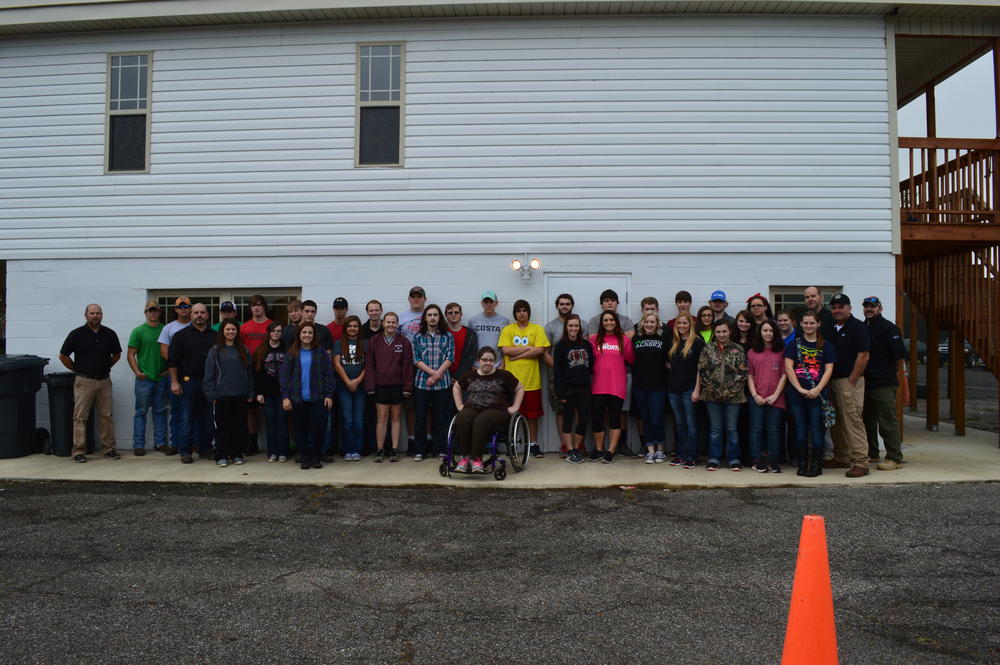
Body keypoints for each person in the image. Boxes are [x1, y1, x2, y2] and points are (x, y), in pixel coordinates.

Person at [58, 303, 122, 463]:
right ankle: (78, 450)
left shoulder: (109, 334)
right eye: (92, 313)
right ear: (85, 315)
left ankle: (109, 448)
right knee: (80, 417)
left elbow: (117, 354)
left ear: (102, 315)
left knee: (106, 416)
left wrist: (106, 367)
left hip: (104, 381)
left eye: (98, 313)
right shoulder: (76, 334)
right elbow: (63, 356)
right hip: (84, 380)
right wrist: (77, 370)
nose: (95, 316)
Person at [451, 347, 525, 474]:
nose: (487, 363)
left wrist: (515, 407)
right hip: (472, 407)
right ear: (479, 360)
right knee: (462, 418)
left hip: (497, 410)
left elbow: (519, 388)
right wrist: (459, 405)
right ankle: (465, 457)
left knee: (482, 421)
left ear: (495, 361)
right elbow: (457, 387)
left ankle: (476, 459)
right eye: (484, 360)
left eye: (491, 360)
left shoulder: (504, 375)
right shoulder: (470, 375)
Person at [784, 311, 837, 477]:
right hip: (796, 394)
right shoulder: (794, 344)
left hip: (818, 395)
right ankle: (802, 463)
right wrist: (799, 388)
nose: (808, 326)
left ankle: (816, 464)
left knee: (816, 429)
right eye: (805, 323)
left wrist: (818, 389)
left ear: (818, 324)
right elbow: (788, 368)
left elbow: (829, 369)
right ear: (800, 324)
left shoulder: (826, 345)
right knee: (800, 429)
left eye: (812, 323)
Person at [825, 294, 871, 478]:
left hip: (849, 380)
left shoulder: (858, 327)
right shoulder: (831, 328)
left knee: (852, 420)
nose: (837, 310)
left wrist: (851, 381)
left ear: (849, 308)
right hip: (832, 380)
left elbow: (864, 356)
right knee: (836, 421)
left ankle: (861, 462)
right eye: (834, 307)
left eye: (840, 307)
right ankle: (842, 456)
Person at [279, 322, 335, 470]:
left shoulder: (321, 352)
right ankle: (304, 457)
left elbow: (329, 374)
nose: (307, 335)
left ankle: (316, 457)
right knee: (300, 430)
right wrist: (285, 396)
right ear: (299, 334)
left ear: (314, 335)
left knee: (318, 429)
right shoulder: (292, 352)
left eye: (310, 333)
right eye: (304, 332)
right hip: (297, 399)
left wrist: (329, 395)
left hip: (319, 398)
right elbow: (284, 375)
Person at [693, 319, 747, 471]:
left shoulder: (738, 349)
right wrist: (715, 391)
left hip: (734, 397)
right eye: (718, 332)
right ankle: (714, 458)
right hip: (712, 396)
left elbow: (742, 373)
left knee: (732, 428)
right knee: (715, 428)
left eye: (724, 331)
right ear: (714, 333)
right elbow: (703, 371)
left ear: (729, 331)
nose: (721, 334)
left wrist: (729, 391)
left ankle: (734, 459)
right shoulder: (707, 349)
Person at [862, 296, 909, 471]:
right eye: (866, 306)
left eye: (872, 307)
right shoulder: (863, 327)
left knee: (887, 420)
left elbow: (899, 357)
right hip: (866, 382)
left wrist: (897, 377)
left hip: (884, 383)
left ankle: (894, 457)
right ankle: (872, 453)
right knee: (867, 421)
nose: (869, 309)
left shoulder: (890, 328)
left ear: (880, 308)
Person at [167, 303, 217, 463]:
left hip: (209, 383)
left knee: (208, 418)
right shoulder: (181, 336)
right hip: (188, 382)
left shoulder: (215, 336)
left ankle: (205, 449)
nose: (199, 315)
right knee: (186, 417)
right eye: (196, 312)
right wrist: (174, 382)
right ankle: (185, 451)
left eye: (202, 312)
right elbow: (172, 360)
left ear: (207, 315)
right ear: (191, 315)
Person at [498, 299, 550, 457]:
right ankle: (512, 444)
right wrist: (528, 348)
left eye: (524, 310)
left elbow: (540, 351)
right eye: (519, 310)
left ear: (528, 313)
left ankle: (533, 444)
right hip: (512, 383)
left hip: (532, 382)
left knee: (532, 416)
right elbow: (506, 350)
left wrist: (517, 354)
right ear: (515, 313)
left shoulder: (537, 329)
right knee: (512, 414)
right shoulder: (508, 329)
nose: (522, 313)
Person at [364, 312, 415, 462]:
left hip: (397, 386)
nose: (391, 325)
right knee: (381, 417)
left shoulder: (404, 342)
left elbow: (407, 367)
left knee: (396, 417)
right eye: (388, 322)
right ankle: (380, 449)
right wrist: (370, 385)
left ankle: (394, 449)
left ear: (397, 324)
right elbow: (369, 365)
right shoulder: (374, 341)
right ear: (383, 323)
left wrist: (407, 387)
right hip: (380, 386)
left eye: (393, 322)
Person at [203, 321, 255, 467]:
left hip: (241, 394)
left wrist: (250, 392)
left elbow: (249, 373)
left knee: (239, 426)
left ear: (237, 331)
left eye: (233, 329)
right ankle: (221, 455)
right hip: (221, 396)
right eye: (228, 329)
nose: (231, 332)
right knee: (222, 427)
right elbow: (209, 374)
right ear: (222, 331)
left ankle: (237, 454)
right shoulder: (215, 350)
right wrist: (211, 393)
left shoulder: (243, 349)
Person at [588, 311, 634, 463]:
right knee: (597, 418)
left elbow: (631, 359)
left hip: (617, 385)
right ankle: (599, 449)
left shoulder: (624, 340)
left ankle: (611, 450)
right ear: (602, 323)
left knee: (615, 418)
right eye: (605, 320)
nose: (609, 322)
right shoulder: (594, 340)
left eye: (611, 320)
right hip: (598, 385)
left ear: (616, 322)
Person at [412, 304, 454, 461]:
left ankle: (440, 449)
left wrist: (437, 375)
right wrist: (431, 373)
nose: (432, 318)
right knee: (420, 418)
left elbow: (450, 357)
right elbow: (416, 359)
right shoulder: (417, 337)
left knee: (441, 418)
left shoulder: (447, 336)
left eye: (435, 315)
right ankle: (420, 451)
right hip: (422, 383)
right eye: (429, 315)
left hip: (442, 383)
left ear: (439, 317)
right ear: (425, 318)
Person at [127, 301, 167, 456]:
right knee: (141, 412)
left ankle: (161, 443)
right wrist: (137, 372)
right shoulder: (138, 331)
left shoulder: (165, 329)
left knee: (160, 411)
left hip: (161, 378)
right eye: (150, 311)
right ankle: (138, 445)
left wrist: (167, 371)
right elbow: (131, 354)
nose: (153, 313)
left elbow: (171, 352)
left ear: (159, 312)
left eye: (155, 310)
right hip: (144, 379)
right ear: (145, 313)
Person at [552, 314, 593, 464]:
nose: (573, 328)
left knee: (583, 420)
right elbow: (557, 371)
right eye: (571, 326)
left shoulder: (587, 345)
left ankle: (576, 449)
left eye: (576, 326)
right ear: (566, 327)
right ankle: (569, 451)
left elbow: (591, 368)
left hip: (584, 388)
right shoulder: (561, 345)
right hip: (568, 389)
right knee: (568, 420)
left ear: (580, 327)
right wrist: (560, 392)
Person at [747, 320, 788, 473]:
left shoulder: (782, 351)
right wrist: (755, 395)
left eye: (771, 330)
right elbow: (749, 376)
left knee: (774, 430)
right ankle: (757, 460)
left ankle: (773, 461)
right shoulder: (752, 352)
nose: (768, 333)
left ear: (775, 333)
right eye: (765, 330)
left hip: (776, 398)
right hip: (756, 398)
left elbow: (785, 374)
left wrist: (775, 395)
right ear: (760, 332)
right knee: (756, 429)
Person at [666, 312, 704, 469]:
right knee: (679, 423)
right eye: (679, 324)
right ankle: (681, 455)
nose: (682, 326)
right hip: (673, 389)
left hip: (689, 390)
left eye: (685, 323)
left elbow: (700, 369)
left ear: (691, 325)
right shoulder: (673, 342)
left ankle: (691, 456)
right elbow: (668, 363)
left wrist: (697, 390)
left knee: (691, 424)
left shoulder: (697, 342)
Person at [632, 312, 670, 463]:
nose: (649, 324)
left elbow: (669, 360)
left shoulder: (664, 339)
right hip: (640, 386)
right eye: (646, 322)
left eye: (652, 322)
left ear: (657, 324)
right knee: (646, 419)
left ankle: (660, 450)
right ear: (642, 323)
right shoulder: (636, 338)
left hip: (658, 385)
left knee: (657, 419)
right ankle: (650, 451)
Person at [157, 296, 192, 454]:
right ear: (176, 309)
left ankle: (195, 443)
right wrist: (178, 366)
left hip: (194, 376)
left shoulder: (197, 325)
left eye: (187, 306)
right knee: (176, 410)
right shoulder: (168, 328)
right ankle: (175, 443)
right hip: (176, 375)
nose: (184, 309)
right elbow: (165, 352)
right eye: (181, 306)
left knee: (195, 410)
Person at [239, 294, 271, 456]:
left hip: (269, 371)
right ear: (250, 308)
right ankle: (252, 442)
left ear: (264, 307)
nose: (257, 308)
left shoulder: (271, 325)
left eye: (259, 305)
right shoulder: (244, 327)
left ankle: (275, 442)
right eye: (253, 305)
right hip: (250, 372)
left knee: (271, 407)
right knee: (251, 409)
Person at [253, 321, 289, 463]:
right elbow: (257, 374)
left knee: (282, 422)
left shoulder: (287, 348)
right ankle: (272, 452)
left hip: (283, 392)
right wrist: (259, 392)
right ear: (269, 332)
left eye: (279, 331)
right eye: (273, 331)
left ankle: (283, 452)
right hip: (267, 393)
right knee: (270, 423)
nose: (276, 333)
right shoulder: (261, 349)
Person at [543, 293, 575, 451]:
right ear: (557, 306)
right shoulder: (550, 327)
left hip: (577, 375)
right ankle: (565, 445)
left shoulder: (579, 324)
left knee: (577, 409)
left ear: (572, 306)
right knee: (561, 409)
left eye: (567, 304)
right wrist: (559, 369)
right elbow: (545, 353)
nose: (564, 306)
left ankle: (577, 445)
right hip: (556, 375)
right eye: (562, 304)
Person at [333, 316, 367, 461]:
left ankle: (357, 449)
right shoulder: (339, 343)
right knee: (347, 419)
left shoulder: (365, 343)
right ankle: (347, 449)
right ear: (345, 328)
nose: (352, 328)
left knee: (358, 419)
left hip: (361, 387)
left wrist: (357, 380)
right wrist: (348, 381)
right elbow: (337, 364)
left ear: (359, 328)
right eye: (349, 326)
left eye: (355, 326)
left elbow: (369, 365)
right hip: (343, 387)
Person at [468, 290, 509, 367]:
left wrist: (503, 364)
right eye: (486, 302)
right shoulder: (473, 321)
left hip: (496, 364)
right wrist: (472, 364)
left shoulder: (504, 321)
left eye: (491, 302)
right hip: (478, 365)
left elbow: (505, 345)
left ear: (496, 303)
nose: (488, 304)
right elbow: (470, 345)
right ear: (481, 303)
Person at [445, 302, 479, 380]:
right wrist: (447, 376)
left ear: (461, 314)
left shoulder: (470, 334)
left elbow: (471, 356)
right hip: (444, 377)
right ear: (446, 315)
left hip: (464, 377)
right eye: (450, 313)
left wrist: (458, 376)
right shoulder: (441, 333)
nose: (453, 315)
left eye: (456, 312)